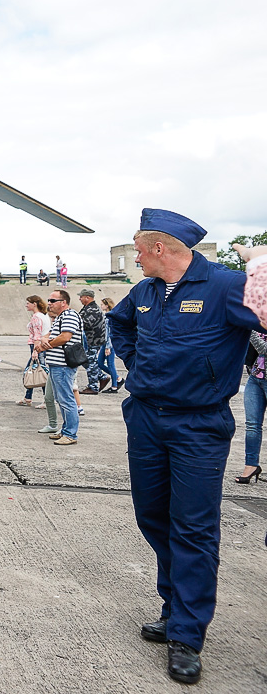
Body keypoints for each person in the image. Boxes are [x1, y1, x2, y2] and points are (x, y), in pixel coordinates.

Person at [107, 209, 261, 685]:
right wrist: (138, 366)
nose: (134, 257)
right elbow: (120, 324)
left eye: (137, 248)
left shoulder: (225, 285)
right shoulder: (146, 292)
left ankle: (188, 635)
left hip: (199, 423)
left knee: (193, 526)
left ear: (160, 248)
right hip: (147, 418)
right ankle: (174, 610)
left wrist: (258, 263)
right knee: (152, 515)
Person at [33, 289, 82, 446]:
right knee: (61, 399)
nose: (49, 304)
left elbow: (65, 337)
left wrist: (44, 346)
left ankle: (70, 433)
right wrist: (45, 339)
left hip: (63, 365)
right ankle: (66, 429)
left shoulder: (69, 315)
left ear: (63, 302)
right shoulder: (61, 317)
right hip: (57, 365)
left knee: (66, 399)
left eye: (53, 301)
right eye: (49, 300)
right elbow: (49, 334)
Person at [237, 328, 266, 484]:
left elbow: (263, 348)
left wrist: (249, 330)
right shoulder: (261, 317)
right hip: (256, 377)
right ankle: (251, 465)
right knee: (252, 425)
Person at [18, 295, 51, 406]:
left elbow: (37, 335)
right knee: (32, 371)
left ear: (34, 304)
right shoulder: (44, 315)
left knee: (38, 371)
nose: (26, 305)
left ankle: (47, 399)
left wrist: (35, 351)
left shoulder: (36, 317)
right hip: (44, 344)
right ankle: (28, 397)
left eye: (28, 303)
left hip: (37, 345)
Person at [78, 289, 112, 395]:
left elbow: (86, 324)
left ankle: (93, 387)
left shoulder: (92, 309)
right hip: (91, 340)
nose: (79, 298)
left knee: (90, 362)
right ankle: (102, 377)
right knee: (86, 361)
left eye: (81, 297)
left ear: (87, 297)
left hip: (92, 341)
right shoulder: (89, 308)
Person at [98, 297, 125, 394]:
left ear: (107, 305)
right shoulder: (106, 315)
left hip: (109, 343)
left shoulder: (110, 317)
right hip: (105, 343)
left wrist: (108, 346)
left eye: (102, 304)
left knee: (110, 364)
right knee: (100, 363)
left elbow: (110, 332)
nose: (101, 306)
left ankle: (114, 386)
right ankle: (118, 378)